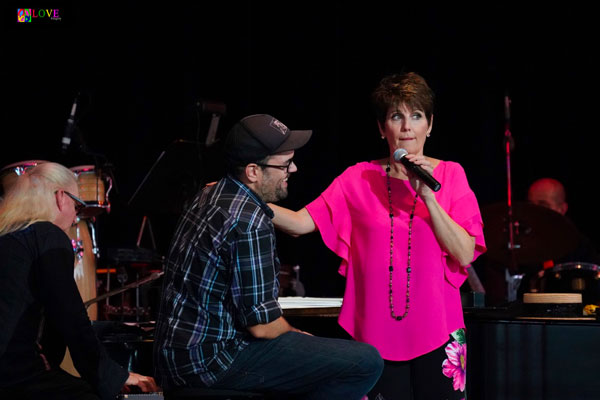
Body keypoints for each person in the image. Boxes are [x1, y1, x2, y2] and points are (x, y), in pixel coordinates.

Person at [269, 73, 487, 399]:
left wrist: (429, 198)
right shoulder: (358, 178)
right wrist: (244, 197)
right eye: (396, 117)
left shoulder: (450, 175)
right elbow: (300, 223)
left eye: (416, 116)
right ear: (382, 127)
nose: (406, 128)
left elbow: (465, 253)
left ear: (430, 124)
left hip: (440, 332)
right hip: (375, 336)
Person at [153, 114, 383, 399]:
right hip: (212, 362)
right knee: (364, 362)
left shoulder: (209, 193)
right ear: (253, 171)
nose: (294, 169)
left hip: (177, 358)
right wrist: (297, 336)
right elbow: (262, 326)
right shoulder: (249, 221)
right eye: (285, 164)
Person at [0, 162, 159, 399]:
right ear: (61, 197)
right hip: (13, 376)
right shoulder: (47, 235)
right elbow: (70, 317)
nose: (76, 217)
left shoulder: (9, 237)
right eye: (77, 205)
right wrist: (116, 377)